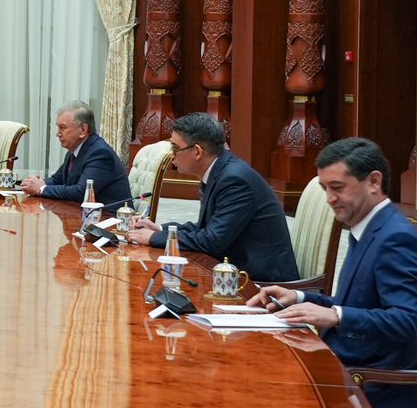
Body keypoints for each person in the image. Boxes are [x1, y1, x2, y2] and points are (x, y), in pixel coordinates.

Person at [255, 138, 417, 408]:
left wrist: (336, 315)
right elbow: (361, 305)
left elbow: (409, 321)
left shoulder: (397, 239)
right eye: (325, 189)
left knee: (263, 394)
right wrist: (300, 297)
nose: (330, 198)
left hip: (383, 387)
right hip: (359, 368)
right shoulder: (371, 228)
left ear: (373, 182)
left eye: (338, 187)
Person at [126, 112, 299, 283]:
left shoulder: (235, 180)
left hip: (261, 283)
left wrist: (153, 238)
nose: (172, 155)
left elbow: (212, 241)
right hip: (233, 273)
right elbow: (205, 228)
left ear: (197, 151)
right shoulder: (220, 171)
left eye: (175, 148)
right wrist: (159, 229)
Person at [23, 101, 130, 207]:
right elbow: (57, 180)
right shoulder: (74, 151)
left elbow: (82, 192)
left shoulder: (100, 153)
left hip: (109, 216)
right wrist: (35, 184)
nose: (57, 134)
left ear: (83, 130)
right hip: (81, 213)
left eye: (62, 127)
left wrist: (41, 189)